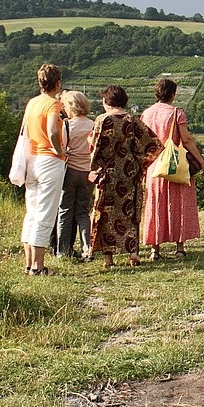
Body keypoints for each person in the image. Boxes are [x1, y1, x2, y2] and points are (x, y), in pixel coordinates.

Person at [88, 85, 163, 268]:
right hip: (129, 171)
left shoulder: (102, 120)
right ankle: (133, 253)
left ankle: (109, 259)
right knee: (129, 212)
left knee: (107, 214)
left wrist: (94, 167)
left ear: (107, 101)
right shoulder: (132, 120)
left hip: (109, 173)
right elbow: (153, 145)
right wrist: (140, 163)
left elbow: (95, 147)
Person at [141, 78, 204, 261]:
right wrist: (201, 162)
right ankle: (179, 247)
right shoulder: (177, 113)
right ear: (173, 94)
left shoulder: (146, 113)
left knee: (156, 205)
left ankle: (155, 249)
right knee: (179, 204)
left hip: (154, 166)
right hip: (175, 164)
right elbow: (186, 140)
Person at [20, 63, 67, 276]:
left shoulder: (32, 103)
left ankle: (29, 263)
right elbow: (52, 131)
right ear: (57, 83)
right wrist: (60, 151)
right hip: (49, 160)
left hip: (32, 159)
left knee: (32, 211)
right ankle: (39, 266)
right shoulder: (53, 105)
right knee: (46, 214)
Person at [55, 90, 94, 260]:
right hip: (87, 172)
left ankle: (63, 250)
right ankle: (87, 247)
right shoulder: (93, 125)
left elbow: (62, 149)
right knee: (83, 211)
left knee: (65, 210)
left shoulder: (67, 126)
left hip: (70, 170)